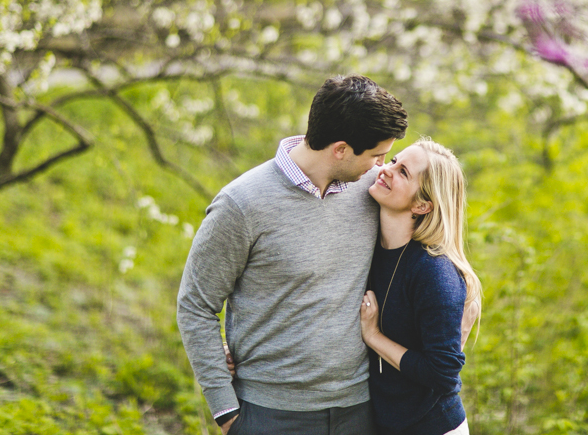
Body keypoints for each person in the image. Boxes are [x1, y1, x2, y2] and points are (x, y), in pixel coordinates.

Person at [177, 74, 408, 435]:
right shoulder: (241, 205)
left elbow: (430, 227)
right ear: (341, 149)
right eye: (377, 155)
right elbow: (196, 304)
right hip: (268, 414)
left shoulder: (374, 191)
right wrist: (226, 411)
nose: (382, 166)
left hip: (360, 408)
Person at [360, 138, 482, 435]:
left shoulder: (433, 272)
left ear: (422, 204)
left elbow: (442, 373)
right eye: (393, 161)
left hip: (433, 427)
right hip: (387, 424)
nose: (387, 169)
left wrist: (373, 336)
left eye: (403, 172)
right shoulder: (370, 248)